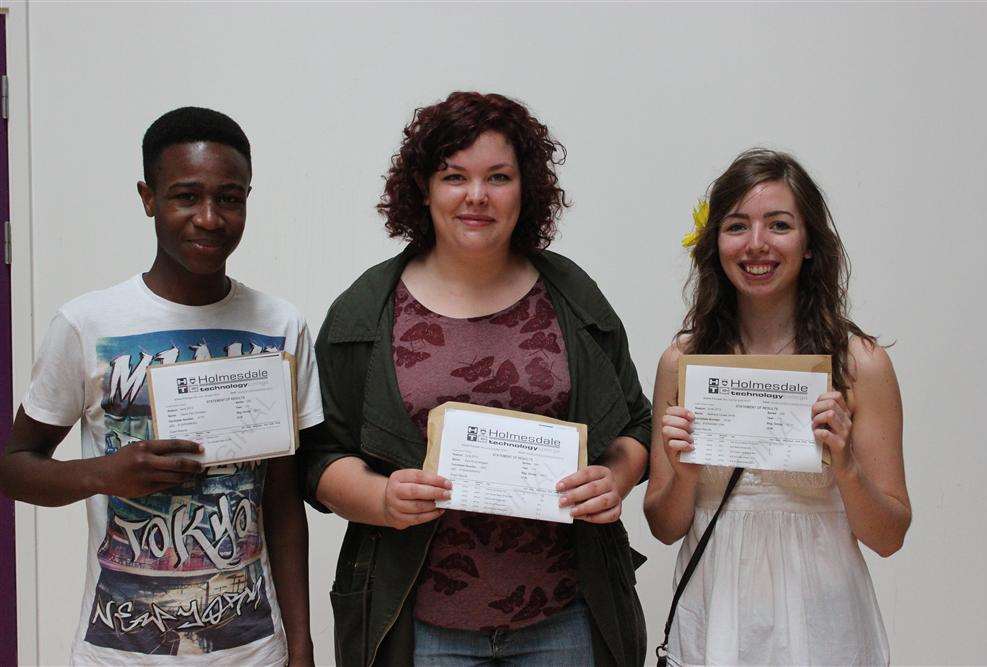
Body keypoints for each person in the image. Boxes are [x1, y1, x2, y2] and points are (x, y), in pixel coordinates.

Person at [299, 91, 651, 666]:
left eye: (499, 177)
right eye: (454, 176)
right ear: (424, 188)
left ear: (526, 188)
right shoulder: (364, 312)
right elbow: (317, 455)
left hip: (565, 616)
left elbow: (637, 421)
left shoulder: (573, 296)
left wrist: (616, 477)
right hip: (420, 624)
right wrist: (382, 498)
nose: (477, 196)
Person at [0, 107, 323, 665]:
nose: (209, 218)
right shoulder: (88, 324)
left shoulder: (281, 325)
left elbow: (283, 498)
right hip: (119, 648)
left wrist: (301, 646)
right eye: (185, 196)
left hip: (254, 650)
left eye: (229, 197)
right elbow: (14, 466)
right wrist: (107, 472)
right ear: (148, 199)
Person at [643, 148, 911, 665]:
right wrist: (683, 472)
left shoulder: (859, 363)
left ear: (809, 242)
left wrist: (848, 467)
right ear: (715, 243)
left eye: (779, 225)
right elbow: (664, 525)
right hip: (713, 612)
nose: (757, 245)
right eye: (737, 226)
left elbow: (890, 536)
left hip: (823, 619)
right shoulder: (683, 361)